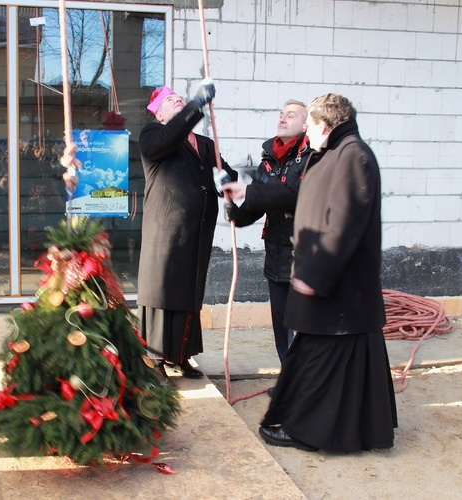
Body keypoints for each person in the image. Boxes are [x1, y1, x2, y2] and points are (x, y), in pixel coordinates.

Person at [259, 93, 397, 452]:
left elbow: (343, 226)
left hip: (338, 291)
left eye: (309, 126)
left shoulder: (353, 156)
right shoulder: (337, 153)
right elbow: (297, 194)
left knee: (320, 363)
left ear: (322, 125)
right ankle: (354, 430)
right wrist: (247, 192)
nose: (307, 134)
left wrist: (313, 277)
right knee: (329, 363)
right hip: (337, 292)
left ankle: (307, 432)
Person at [137, 81, 237, 379]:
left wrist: (228, 180)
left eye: (180, 98)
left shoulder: (206, 145)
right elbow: (167, 139)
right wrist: (195, 105)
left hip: (198, 232)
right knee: (163, 290)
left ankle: (180, 356)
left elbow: (226, 173)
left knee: (189, 292)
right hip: (166, 230)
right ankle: (154, 360)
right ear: (159, 114)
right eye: (171, 100)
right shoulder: (153, 134)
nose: (178, 100)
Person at [222, 100, 311, 365]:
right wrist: (237, 214)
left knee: (305, 326)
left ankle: (306, 385)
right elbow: (257, 203)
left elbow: (293, 195)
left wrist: (248, 191)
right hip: (276, 256)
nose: (282, 119)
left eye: (290, 116)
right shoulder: (269, 159)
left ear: (305, 124)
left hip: (303, 256)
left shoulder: (311, 158)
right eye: (281, 114)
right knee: (282, 325)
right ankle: (288, 380)